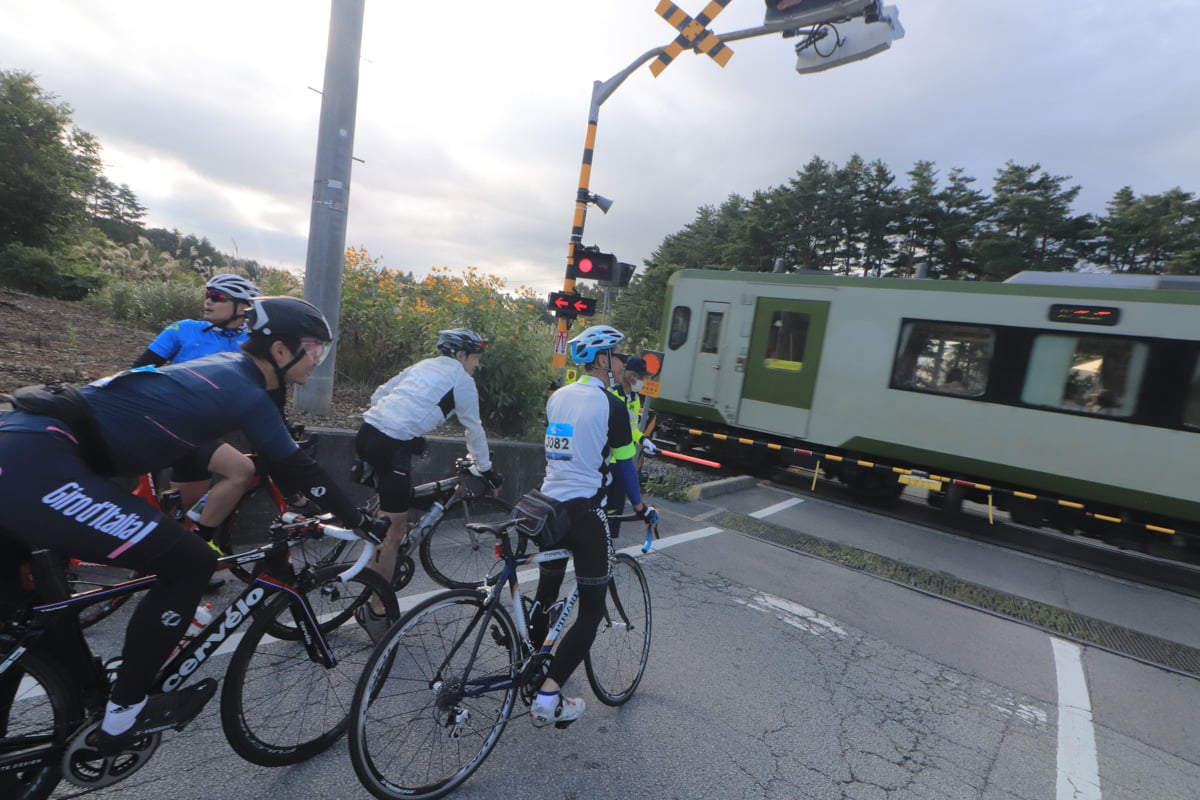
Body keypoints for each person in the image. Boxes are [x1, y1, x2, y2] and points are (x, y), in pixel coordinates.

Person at [0, 296, 389, 755]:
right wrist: (360, 521)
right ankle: (123, 715)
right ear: (281, 351)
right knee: (188, 563)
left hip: (25, 446)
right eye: (314, 349)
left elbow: (187, 432)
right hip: (39, 463)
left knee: (19, 619)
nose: (318, 361)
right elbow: (298, 470)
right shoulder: (246, 389)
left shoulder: (226, 367)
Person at [528, 324, 658, 729]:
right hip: (584, 513)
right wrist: (640, 506)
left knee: (546, 594)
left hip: (546, 506)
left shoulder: (558, 397)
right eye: (618, 356)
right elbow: (622, 464)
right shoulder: (612, 405)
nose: (622, 364)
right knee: (590, 610)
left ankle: (532, 666)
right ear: (602, 360)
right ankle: (549, 696)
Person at [353, 328, 502, 637]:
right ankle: (376, 610)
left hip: (368, 433)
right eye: (475, 358)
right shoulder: (461, 381)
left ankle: (374, 559)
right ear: (461, 355)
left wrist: (409, 430)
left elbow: (381, 393)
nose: (477, 364)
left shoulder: (422, 365)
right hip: (391, 445)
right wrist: (486, 470)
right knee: (393, 534)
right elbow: (473, 428)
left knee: (390, 511)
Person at [134, 274, 265, 576]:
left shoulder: (251, 344)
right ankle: (195, 554)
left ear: (244, 307)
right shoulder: (184, 329)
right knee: (239, 470)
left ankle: (172, 562)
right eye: (208, 294)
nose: (208, 301)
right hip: (171, 423)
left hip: (202, 432)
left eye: (218, 297)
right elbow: (138, 370)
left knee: (186, 512)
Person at [603, 354, 656, 539]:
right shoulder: (612, 394)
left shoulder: (634, 399)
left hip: (623, 462)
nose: (642, 382)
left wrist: (644, 440)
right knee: (603, 504)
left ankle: (609, 542)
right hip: (609, 461)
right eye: (641, 377)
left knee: (616, 507)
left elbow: (631, 428)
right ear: (630, 376)